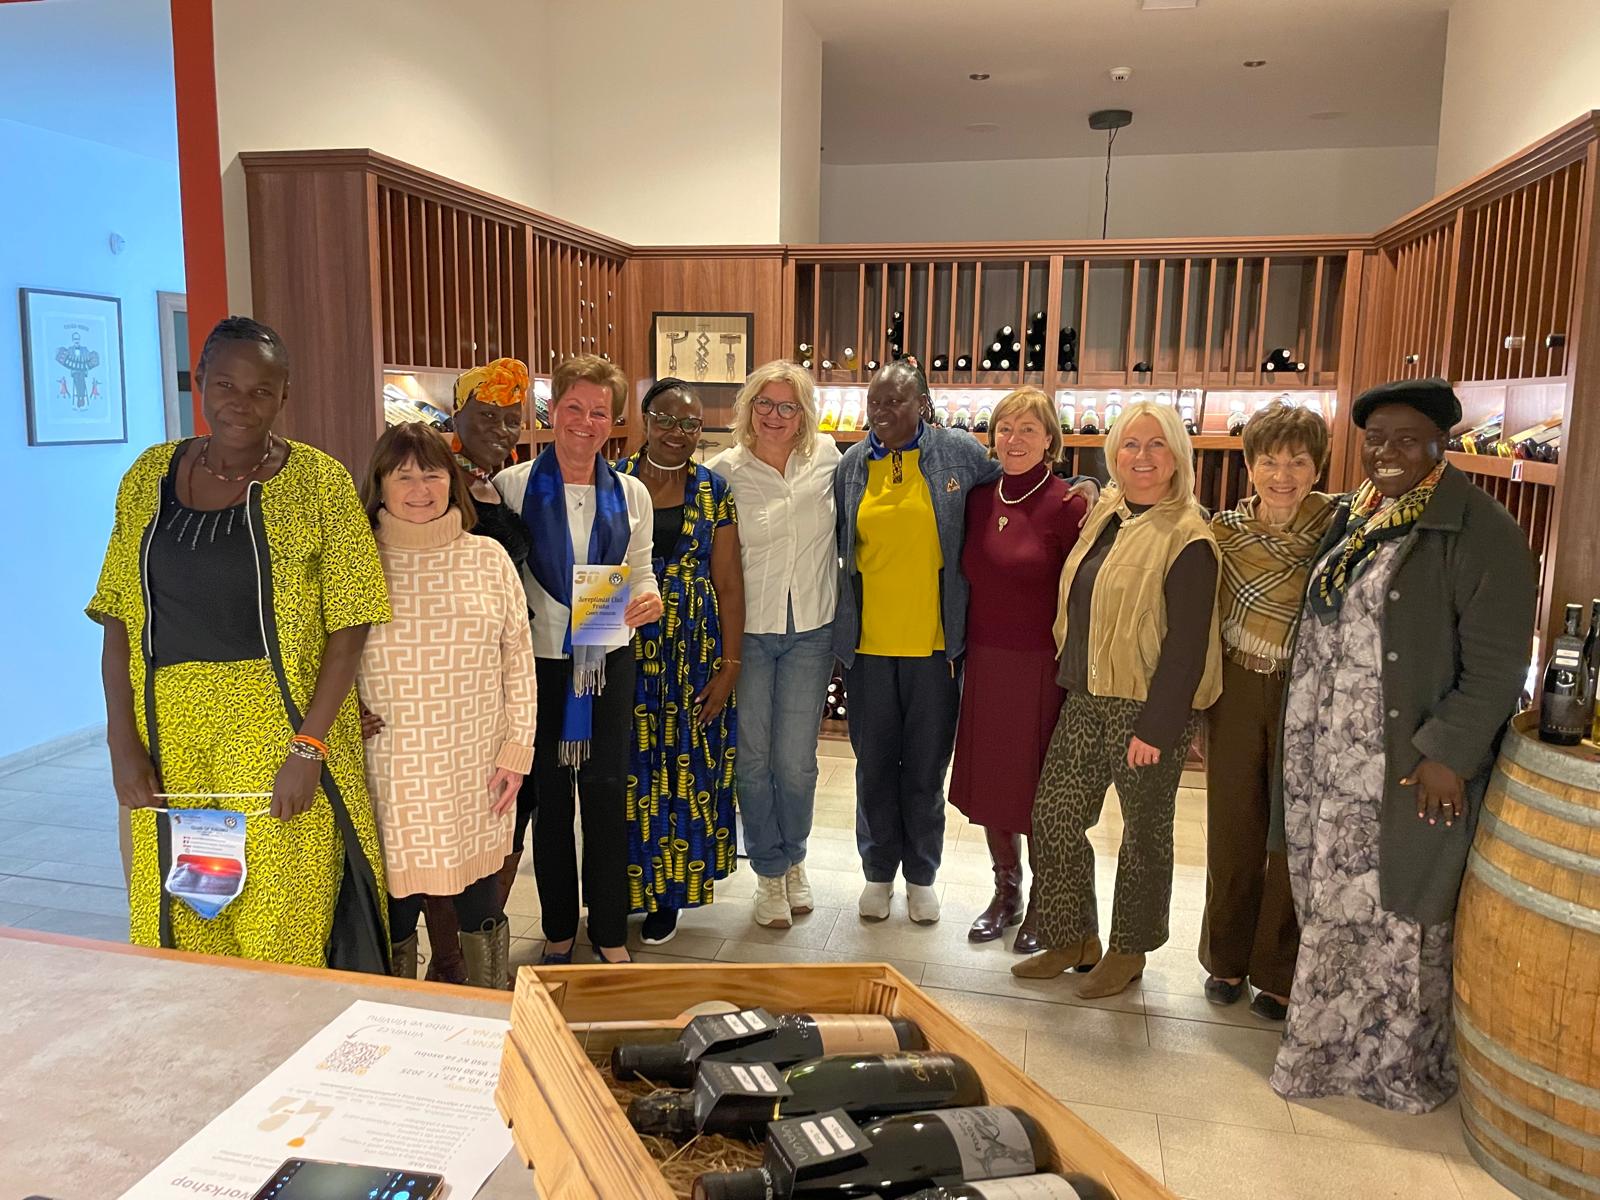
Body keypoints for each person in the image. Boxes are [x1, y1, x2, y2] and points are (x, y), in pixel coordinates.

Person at [89, 316, 391, 968]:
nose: (241, 403)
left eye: (261, 390)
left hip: (278, 728)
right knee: (187, 915)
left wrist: (308, 748)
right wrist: (122, 742)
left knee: (281, 923)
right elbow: (117, 617)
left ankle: (285, 1031)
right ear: (199, 381)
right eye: (225, 384)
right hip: (170, 734)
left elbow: (350, 625)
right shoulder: (147, 476)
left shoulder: (319, 482)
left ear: (284, 396)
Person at [1269, 378, 1535, 1112]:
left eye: (1407, 440)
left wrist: (1449, 753)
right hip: (1331, 761)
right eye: (1376, 439)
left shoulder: (1480, 530)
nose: (1387, 452)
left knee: (1399, 920)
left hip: (1404, 768)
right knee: (1334, 906)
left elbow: (1498, 665)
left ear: (1441, 445)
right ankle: (1324, 1052)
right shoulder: (1360, 515)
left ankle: (1392, 1070)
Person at [1015, 400, 1222, 999]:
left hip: (1146, 707)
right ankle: (1071, 937)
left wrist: (1157, 728)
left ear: (1177, 456)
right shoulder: (1108, 513)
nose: (1142, 457)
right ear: (1114, 454)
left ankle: (1129, 951)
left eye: (1157, 445)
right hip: (1087, 693)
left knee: (1143, 834)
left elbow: (1187, 645)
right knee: (1054, 816)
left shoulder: (1188, 535)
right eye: (1130, 444)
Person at [356, 423, 537, 988]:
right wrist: (342, 710)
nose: (420, 489)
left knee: (481, 900)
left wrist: (517, 752)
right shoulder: (356, 560)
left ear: (452, 481)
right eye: (403, 476)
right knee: (393, 908)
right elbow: (320, 651)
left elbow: (518, 660)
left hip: (477, 764)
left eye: (432, 474)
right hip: (388, 768)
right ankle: (392, 1017)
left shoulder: (488, 557)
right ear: (379, 485)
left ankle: (488, 1008)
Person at [496, 354, 663, 964]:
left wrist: (650, 598)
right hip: (537, 662)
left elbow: (640, 570)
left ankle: (611, 930)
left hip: (606, 658)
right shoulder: (513, 487)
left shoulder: (630, 492)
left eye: (599, 413)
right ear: (553, 410)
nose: (585, 423)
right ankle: (559, 926)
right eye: (574, 408)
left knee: (605, 793)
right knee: (550, 797)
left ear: (612, 421)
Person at [834, 358, 1001, 925]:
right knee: (874, 767)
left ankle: (922, 875)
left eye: (894, 401)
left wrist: (1081, 489)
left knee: (926, 770)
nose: (881, 412)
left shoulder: (958, 453)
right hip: (868, 648)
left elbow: (1012, 488)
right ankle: (878, 872)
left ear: (923, 405)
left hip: (935, 649)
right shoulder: (852, 465)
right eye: (874, 402)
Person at [1199, 401, 1338, 1021]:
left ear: (1317, 468)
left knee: (1291, 830)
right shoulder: (1224, 532)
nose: (1283, 475)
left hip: (1304, 693)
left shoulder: (1338, 529)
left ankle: (1279, 971)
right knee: (1233, 825)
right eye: (1270, 462)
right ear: (1250, 466)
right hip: (1235, 685)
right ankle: (1225, 957)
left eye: (1298, 462)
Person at [949, 387, 1090, 946]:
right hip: (984, 661)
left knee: (1036, 789)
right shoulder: (979, 498)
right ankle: (1006, 892)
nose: (1014, 439)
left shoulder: (1068, 505)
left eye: (1028, 429)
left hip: (1041, 669)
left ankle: (1046, 901)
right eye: (1006, 428)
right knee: (992, 783)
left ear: (1050, 439)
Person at [706, 362, 841, 929]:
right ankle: (767, 870)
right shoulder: (724, 471)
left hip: (812, 628)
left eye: (788, 406)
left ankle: (795, 860)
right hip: (750, 635)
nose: (775, 415)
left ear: (804, 413)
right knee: (755, 759)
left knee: (797, 762)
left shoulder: (829, 458)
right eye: (764, 403)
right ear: (748, 407)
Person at [416, 356, 534, 983]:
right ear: (457, 413)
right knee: (452, 832)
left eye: (512, 419)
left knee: (503, 822)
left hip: (500, 682)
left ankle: (475, 957)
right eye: (487, 415)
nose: (501, 429)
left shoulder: (495, 481)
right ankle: (451, 963)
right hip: (445, 686)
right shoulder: (434, 482)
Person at [615, 378, 742, 945]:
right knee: (625, 772)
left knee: (688, 770)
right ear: (644, 419)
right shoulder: (612, 482)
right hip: (622, 646)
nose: (677, 432)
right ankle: (621, 889)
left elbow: (729, 583)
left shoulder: (715, 491)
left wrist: (731, 667)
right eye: (665, 419)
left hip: (694, 652)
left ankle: (669, 896)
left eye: (690, 424)